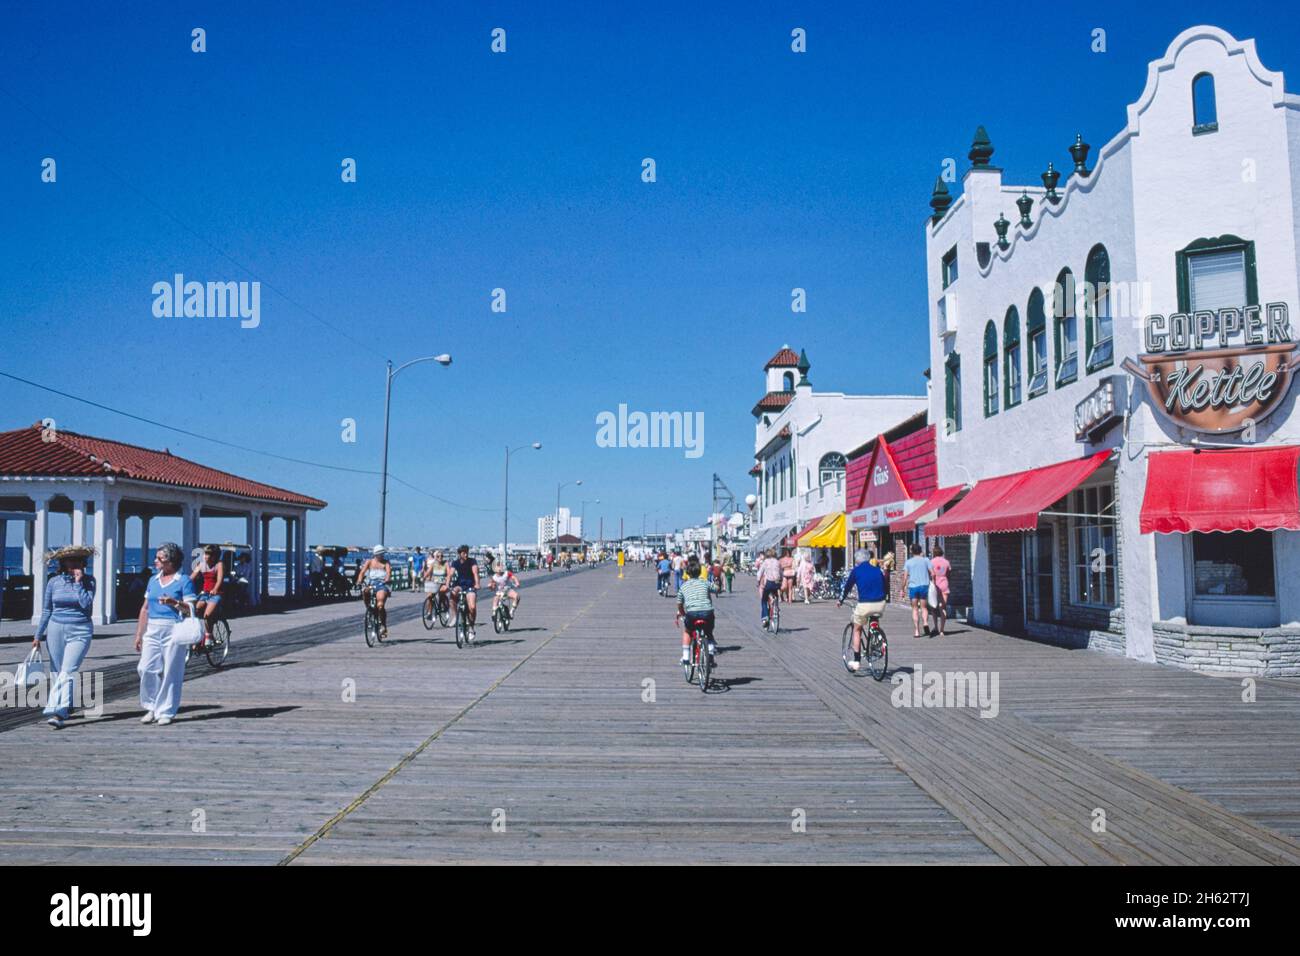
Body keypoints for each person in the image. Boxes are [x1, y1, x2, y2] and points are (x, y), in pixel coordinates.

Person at [135, 542, 199, 726]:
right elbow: (145, 608)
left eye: (159, 558)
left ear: (170, 561)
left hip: (173, 628)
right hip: (153, 628)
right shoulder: (153, 580)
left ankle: (166, 710)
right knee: (145, 668)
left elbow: (191, 609)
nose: (155, 561)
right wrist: (139, 634)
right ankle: (151, 706)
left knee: (171, 670)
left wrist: (174, 603)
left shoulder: (183, 580)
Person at [34, 545, 97, 728]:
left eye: (78, 560)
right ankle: (66, 705)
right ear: (63, 562)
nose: (75, 563)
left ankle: (58, 712)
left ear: (83, 563)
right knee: (57, 671)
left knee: (68, 670)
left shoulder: (89, 581)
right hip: (55, 628)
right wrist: (38, 635)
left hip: (80, 629)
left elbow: (86, 604)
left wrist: (78, 583)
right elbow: (47, 610)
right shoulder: (54, 582)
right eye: (71, 560)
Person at [837, 549, 888, 671]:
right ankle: (876, 643)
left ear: (857, 560)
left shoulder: (856, 571)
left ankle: (856, 661)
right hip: (880, 603)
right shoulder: (877, 569)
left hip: (865, 604)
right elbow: (885, 585)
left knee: (857, 629)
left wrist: (841, 600)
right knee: (874, 618)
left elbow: (847, 586)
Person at [676, 555, 720, 666]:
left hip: (691, 614)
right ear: (700, 572)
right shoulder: (704, 583)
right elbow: (716, 589)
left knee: (687, 631)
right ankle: (710, 653)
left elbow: (679, 603)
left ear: (687, 573)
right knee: (709, 632)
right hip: (707, 613)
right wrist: (717, 583)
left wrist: (682, 613)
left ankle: (686, 657)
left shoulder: (684, 586)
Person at [190, 544, 226, 646]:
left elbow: (220, 580)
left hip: (216, 594)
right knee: (194, 610)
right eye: (205, 554)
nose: (205, 556)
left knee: (207, 615)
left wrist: (215, 589)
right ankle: (198, 634)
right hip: (205, 593)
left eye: (208, 554)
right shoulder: (201, 565)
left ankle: (209, 636)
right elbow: (191, 578)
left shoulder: (219, 565)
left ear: (214, 556)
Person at [356, 545, 392, 640]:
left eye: (382, 554)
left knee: (380, 605)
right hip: (371, 583)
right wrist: (359, 581)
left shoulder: (386, 563)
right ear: (375, 554)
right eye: (380, 554)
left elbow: (388, 572)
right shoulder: (369, 562)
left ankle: (383, 625)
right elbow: (362, 572)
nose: (381, 556)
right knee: (365, 591)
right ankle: (369, 609)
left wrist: (387, 579)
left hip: (382, 584)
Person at [447, 544, 481, 637]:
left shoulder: (472, 561)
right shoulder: (455, 563)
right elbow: (450, 574)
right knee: (453, 594)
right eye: (464, 553)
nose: (466, 555)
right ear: (459, 554)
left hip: (470, 585)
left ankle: (471, 628)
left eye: (467, 553)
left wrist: (477, 583)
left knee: (472, 607)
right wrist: (447, 584)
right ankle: (454, 616)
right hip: (459, 585)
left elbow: (475, 573)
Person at [900, 543, 933, 638]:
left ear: (911, 551)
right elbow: (933, 573)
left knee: (914, 609)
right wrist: (932, 582)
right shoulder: (926, 560)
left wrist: (902, 589)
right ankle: (925, 622)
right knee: (924, 607)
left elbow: (905, 577)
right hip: (924, 586)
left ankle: (917, 631)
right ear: (920, 550)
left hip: (913, 587)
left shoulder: (908, 562)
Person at [930, 544, 952, 637]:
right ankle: (942, 630)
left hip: (935, 585)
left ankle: (936, 626)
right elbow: (949, 572)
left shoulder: (931, 562)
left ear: (934, 553)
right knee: (943, 608)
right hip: (944, 583)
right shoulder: (946, 562)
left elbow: (930, 574)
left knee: (933, 607)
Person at [757, 548, 782, 627]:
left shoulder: (765, 562)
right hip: (777, 583)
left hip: (769, 583)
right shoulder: (778, 562)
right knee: (776, 595)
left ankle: (765, 617)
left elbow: (760, 573)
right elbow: (781, 573)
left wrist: (758, 581)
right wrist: (780, 579)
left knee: (764, 600)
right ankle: (776, 608)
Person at [422, 549, 450, 618]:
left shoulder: (446, 563)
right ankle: (429, 612)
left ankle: (444, 606)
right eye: (438, 556)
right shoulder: (433, 564)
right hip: (434, 582)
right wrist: (423, 577)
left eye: (441, 556)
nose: (440, 558)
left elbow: (449, 573)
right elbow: (428, 572)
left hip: (443, 582)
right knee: (430, 596)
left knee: (441, 593)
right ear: (435, 557)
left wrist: (447, 583)